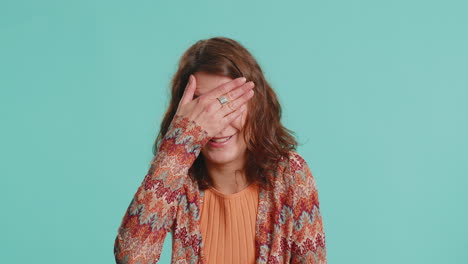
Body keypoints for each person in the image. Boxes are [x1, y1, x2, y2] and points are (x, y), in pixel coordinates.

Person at [114, 37, 327, 264]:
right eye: (203, 108)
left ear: (256, 104)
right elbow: (132, 258)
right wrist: (179, 142)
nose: (216, 123)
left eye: (229, 104)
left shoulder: (290, 174)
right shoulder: (178, 179)